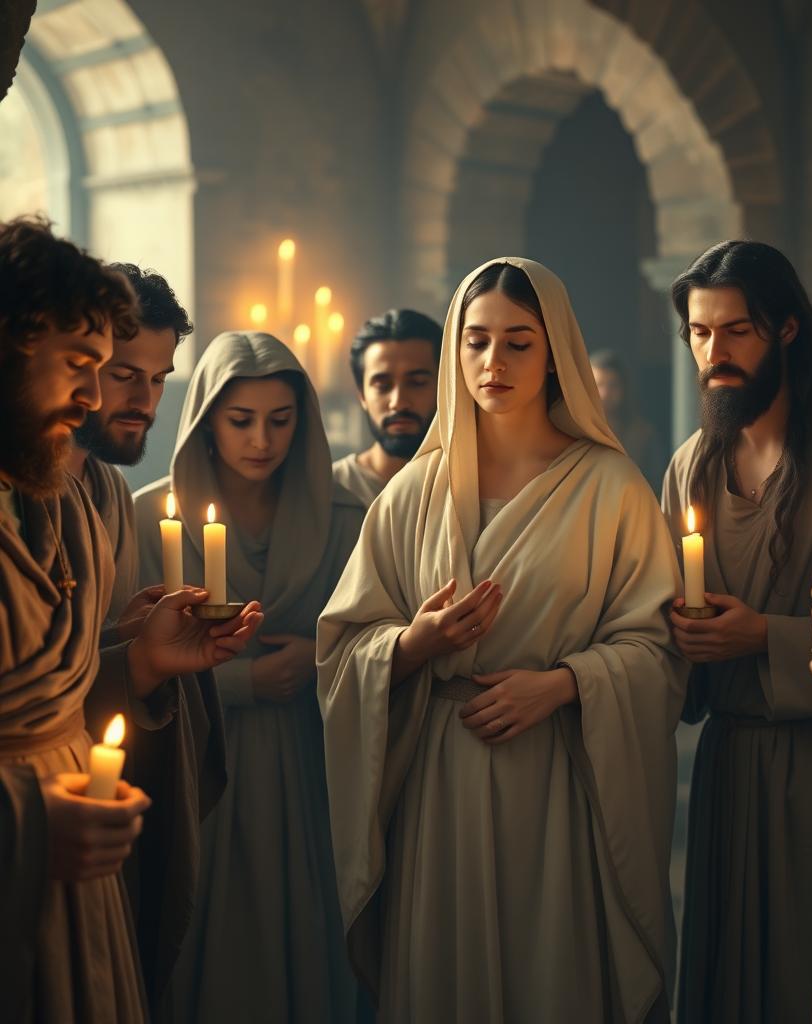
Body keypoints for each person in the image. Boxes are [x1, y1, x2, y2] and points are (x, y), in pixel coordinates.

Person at [318, 258, 684, 1022]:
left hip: (558, 776)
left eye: (519, 342)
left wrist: (565, 684)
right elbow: (345, 644)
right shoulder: (415, 491)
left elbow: (657, 648)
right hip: (439, 783)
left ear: (556, 353)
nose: (494, 363)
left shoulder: (611, 486)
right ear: (454, 349)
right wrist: (412, 645)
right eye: (476, 341)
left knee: (552, 974)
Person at [0, 216, 262, 1024]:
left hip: (74, 834)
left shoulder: (87, 494)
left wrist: (142, 660)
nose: (99, 396)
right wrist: (22, 831)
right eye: (89, 368)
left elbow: (64, 683)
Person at [662, 240, 812, 1024]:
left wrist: (766, 635)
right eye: (700, 333)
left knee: (808, 982)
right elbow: (670, 636)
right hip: (728, 764)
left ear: (787, 330)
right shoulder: (690, 467)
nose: (715, 352)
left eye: (737, 331)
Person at [135, 331, 364, 1022]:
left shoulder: (345, 516)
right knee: (211, 936)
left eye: (281, 420)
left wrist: (323, 658)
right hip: (200, 761)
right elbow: (127, 654)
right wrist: (243, 683)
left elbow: (375, 638)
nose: (262, 439)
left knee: (310, 927)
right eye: (241, 420)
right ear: (206, 420)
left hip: (313, 760)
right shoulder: (152, 517)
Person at [69, 263, 192, 631]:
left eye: (157, 379)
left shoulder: (113, 489)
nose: (144, 400)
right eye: (124, 376)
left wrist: (129, 630)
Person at [333, 308, 442, 507]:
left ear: (445, 387)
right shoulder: (330, 491)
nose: (398, 402)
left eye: (417, 382)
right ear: (362, 395)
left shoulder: (472, 489)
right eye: (382, 386)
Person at [590, 348, 669, 491]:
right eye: (599, 385)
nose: (605, 393)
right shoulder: (579, 432)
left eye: (612, 385)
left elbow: (656, 485)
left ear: (624, 388)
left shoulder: (643, 435)